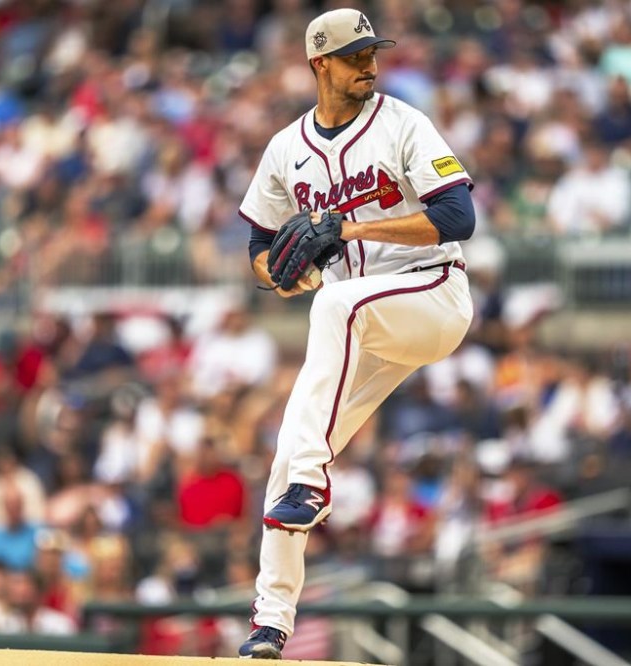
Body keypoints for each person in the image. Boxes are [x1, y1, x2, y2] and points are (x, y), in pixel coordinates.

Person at [235, 8, 475, 658]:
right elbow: (259, 245)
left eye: (372, 51)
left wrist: (350, 230)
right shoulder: (287, 148)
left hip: (431, 295)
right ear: (320, 64)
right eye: (354, 55)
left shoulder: (402, 123)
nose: (370, 63)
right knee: (288, 454)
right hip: (360, 322)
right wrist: (280, 276)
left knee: (336, 306)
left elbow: (458, 215)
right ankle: (270, 624)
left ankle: (313, 485)